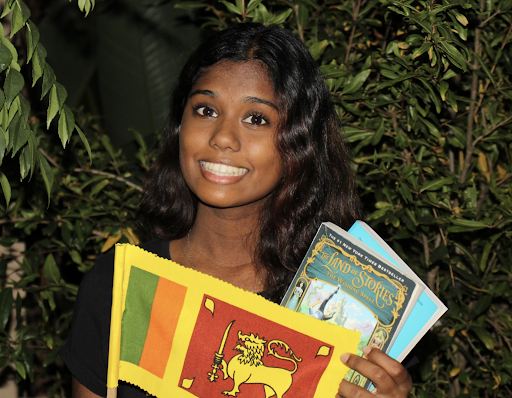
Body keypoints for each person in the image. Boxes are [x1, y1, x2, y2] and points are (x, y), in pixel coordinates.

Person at [61, 23, 412, 398]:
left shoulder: (341, 305)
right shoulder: (122, 284)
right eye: (206, 110)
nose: (222, 138)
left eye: (256, 119)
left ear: (300, 142)